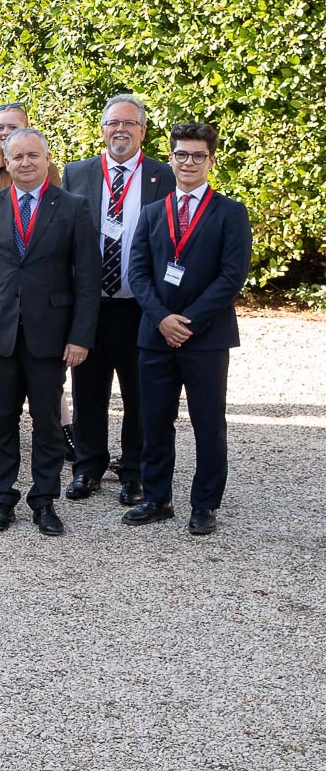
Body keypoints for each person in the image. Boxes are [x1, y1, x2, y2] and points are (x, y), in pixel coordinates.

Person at [0, 128, 100, 536]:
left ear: (47, 158)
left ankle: (44, 499)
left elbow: (87, 280)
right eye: (17, 156)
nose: (25, 163)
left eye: (33, 156)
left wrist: (80, 336)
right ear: (5, 160)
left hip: (50, 335)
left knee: (48, 421)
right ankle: (2, 497)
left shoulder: (73, 208)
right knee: (1, 419)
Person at [124, 122, 251, 536]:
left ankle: (205, 505)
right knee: (154, 420)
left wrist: (189, 323)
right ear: (171, 158)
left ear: (211, 161)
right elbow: (138, 272)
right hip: (155, 335)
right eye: (181, 154)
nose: (189, 162)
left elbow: (231, 278)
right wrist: (162, 318)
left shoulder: (230, 213)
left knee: (208, 422)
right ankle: (157, 498)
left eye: (198, 155)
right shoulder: (152, 211)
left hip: (206, 339)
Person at [62, 94, 173, 505]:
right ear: (102, 129)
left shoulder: (163, 175)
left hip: (139, 306)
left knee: (138, 394)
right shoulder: (78, 173)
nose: (120, 130)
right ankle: (87, 467)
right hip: (90, 305)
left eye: (130, 123)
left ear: (143, 131)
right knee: (88, 389)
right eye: (113, 123)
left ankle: (134, 471)